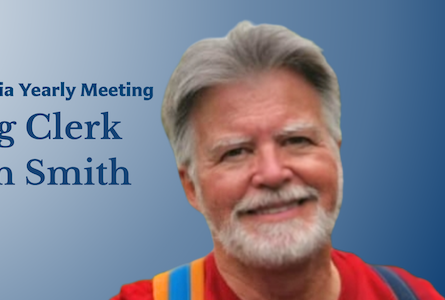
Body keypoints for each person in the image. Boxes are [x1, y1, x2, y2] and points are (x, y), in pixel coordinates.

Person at [111, 21, 443, 300]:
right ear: (192, 188)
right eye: (235, 152)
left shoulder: (410, 294)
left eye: (297, 141)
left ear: (336, 154)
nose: (271, 173)